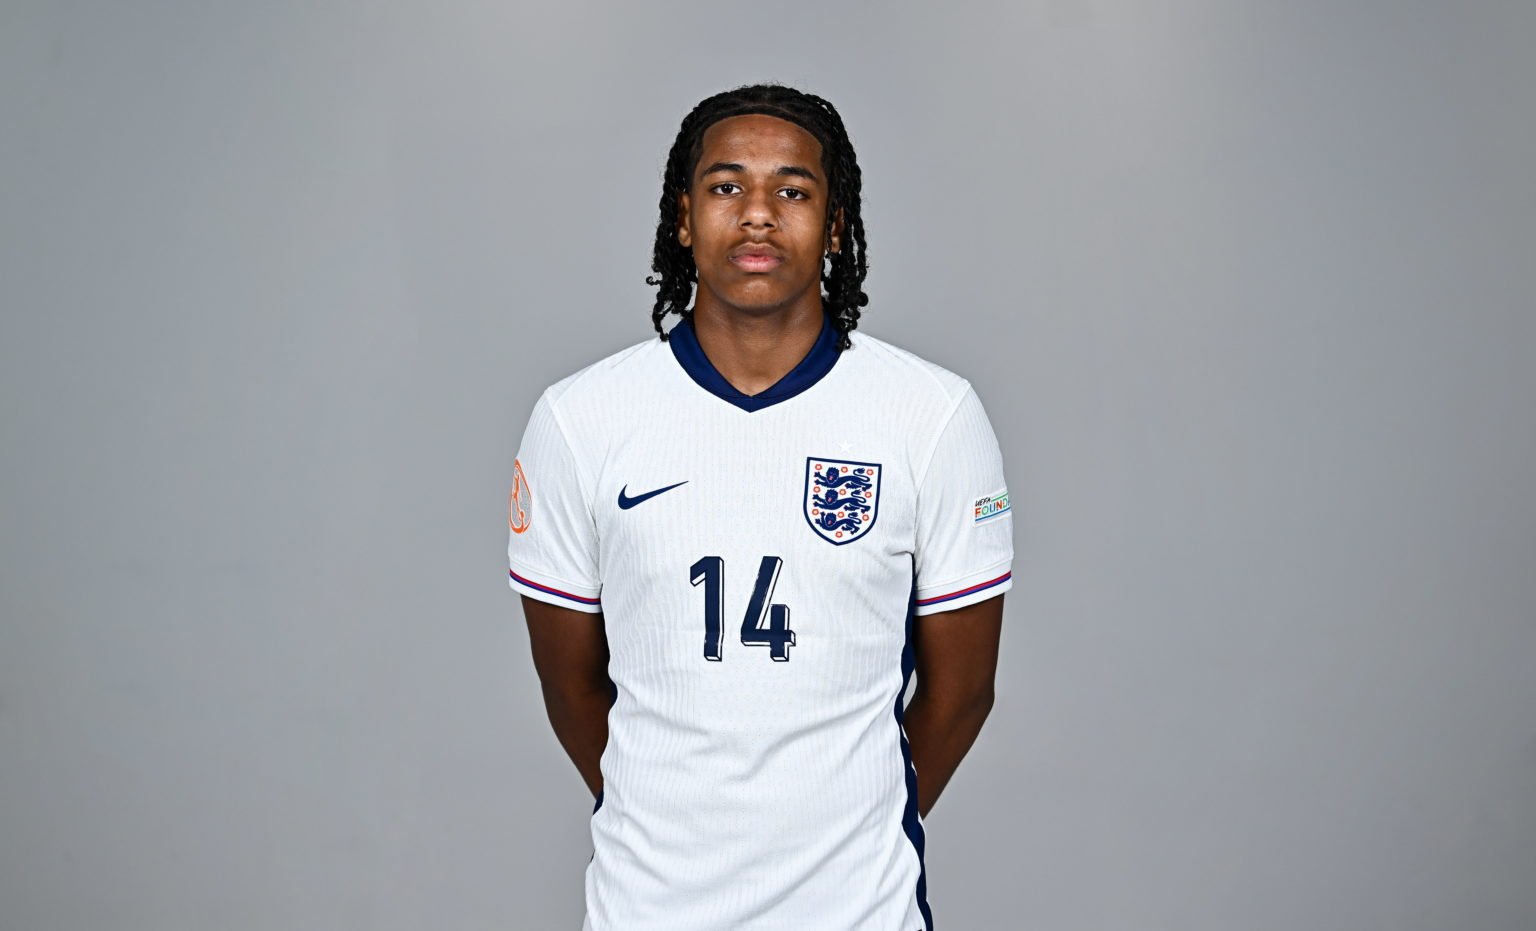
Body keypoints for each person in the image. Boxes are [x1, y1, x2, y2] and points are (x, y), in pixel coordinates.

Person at [507, 83, 1013, 930]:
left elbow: (962, 693)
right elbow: (571, 690)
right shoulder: (578, 419)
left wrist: (847, 826)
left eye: (793, 190)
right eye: (726, 185)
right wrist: (672, 819)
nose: (757, 215)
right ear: (682, 216)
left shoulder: (933, 415)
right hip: (647, 911)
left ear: (837, 224)